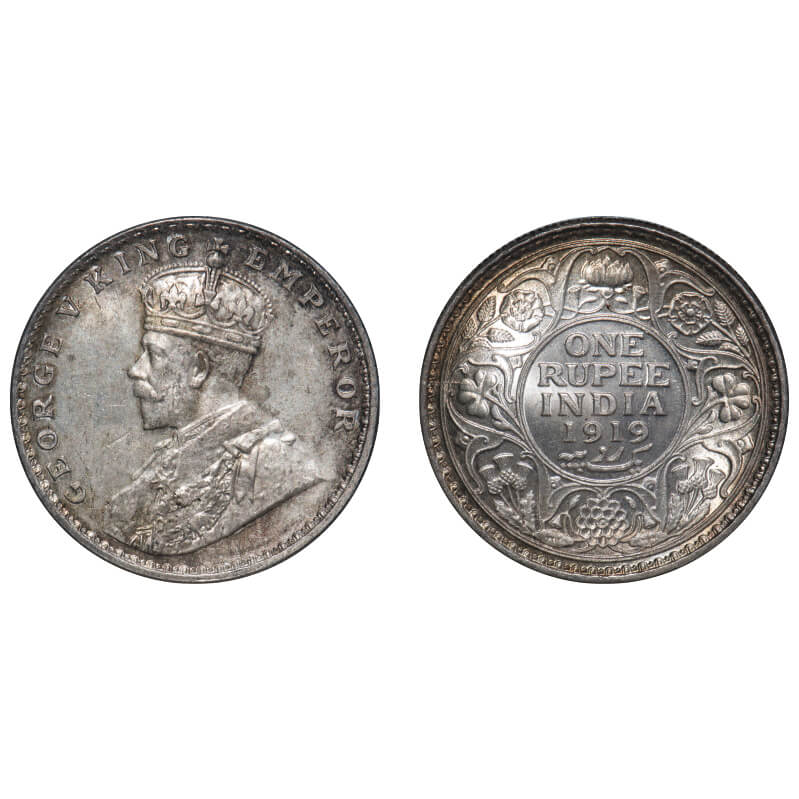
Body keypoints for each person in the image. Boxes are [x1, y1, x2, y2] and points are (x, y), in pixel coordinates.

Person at [104, 239, 326, 555]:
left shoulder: (279, 465)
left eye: (153, 354)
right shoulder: (173, 454)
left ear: (198, 369)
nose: (135, 370)